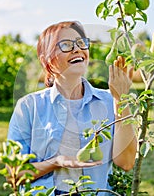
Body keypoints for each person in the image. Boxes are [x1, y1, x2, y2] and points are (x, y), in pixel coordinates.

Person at [7, 21, 137, 195]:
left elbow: (126, 162)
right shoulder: (29, 107)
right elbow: (14, 175)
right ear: (47, 60)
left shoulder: (109, 100)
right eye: (66, 45)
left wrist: (121, 99)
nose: (77, 49)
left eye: (81, 43)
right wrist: (56, 162)